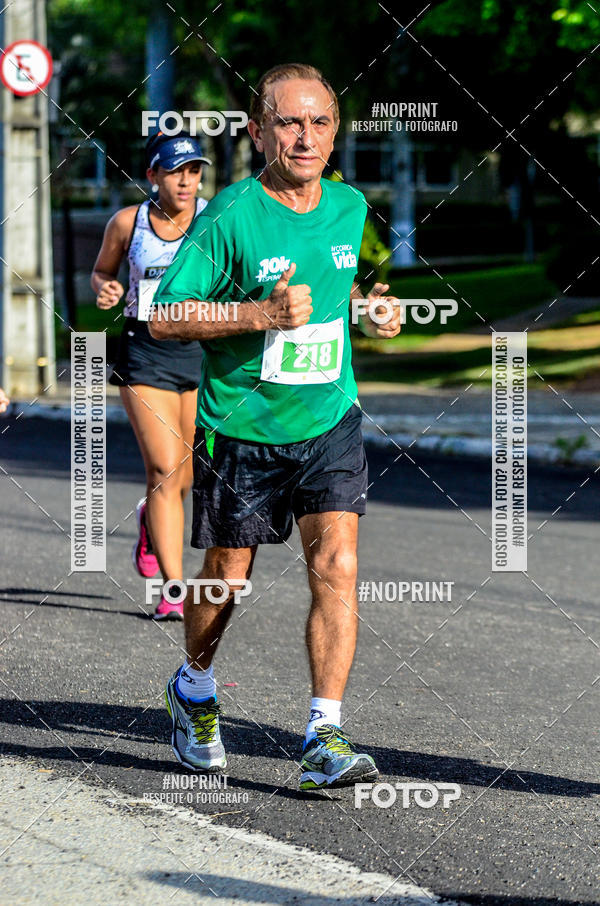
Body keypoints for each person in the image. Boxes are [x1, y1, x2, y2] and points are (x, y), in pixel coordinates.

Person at [151, 63, 401, 788]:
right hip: (244, 427)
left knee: (338, 565)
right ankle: (194, 686)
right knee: (228, 578)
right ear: (259, 132)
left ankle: (324, 735)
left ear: (335, 132)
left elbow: (340, 293)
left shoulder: (350, 205)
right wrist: (257, 314)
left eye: (319, 122)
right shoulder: (231, 215)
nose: (305, 136)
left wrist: (371, 316)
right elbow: (164, 316)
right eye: (288, 122)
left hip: (329, 418)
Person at [91, 132, 212, 620]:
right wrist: (106, 288)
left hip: (201, 350)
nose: (186, 181)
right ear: (153, 175)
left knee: (184, 476)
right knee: (162, 469)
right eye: (175, 171)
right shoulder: (128, 222)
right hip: (144, 351)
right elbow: (102, 272)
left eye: (194, 171)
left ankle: (149, 523)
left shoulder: (216, 219)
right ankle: (173, 589)